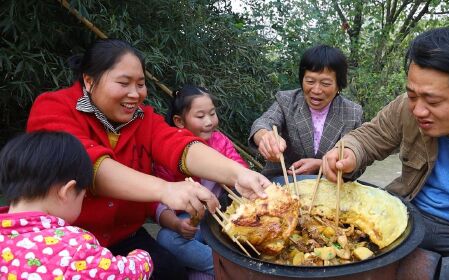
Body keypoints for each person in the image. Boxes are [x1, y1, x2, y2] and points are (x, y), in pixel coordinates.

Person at [26, 39, 270, 279]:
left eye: (141, 84)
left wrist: (239, 174)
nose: (135, 94)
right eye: (124, 83)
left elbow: (179, 145)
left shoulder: (142, 118)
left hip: (125, 237)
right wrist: (164, 189)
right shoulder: (53, 108)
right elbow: (88, 167)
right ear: (89, 81)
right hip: (66, 239)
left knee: (170, 272)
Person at [323, 27, 449, 280]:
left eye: (433, 101)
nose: (419, 110)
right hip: (408, 212)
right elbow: (370, 136)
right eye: (412, 95)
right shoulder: (408, 106)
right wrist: (348, 151)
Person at [0, 131, 153, 279]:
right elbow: (126, 274)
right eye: (83, 195)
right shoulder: (75, 247)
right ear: (67, 191)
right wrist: (142, 256)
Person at [153, 85, 248, 279]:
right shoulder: (167, 151)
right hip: (191, 223)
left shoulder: (220, 141)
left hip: (221, 217)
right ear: (179, 121)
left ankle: (223, 270)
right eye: (200, 116)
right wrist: (176, 224)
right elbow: (157, 200)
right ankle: (232, 270)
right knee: (166, 238)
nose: (209, 122)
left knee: (197, 275)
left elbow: (240, 169)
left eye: (212, 114)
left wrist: (237, 178)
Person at [249, 44, 363, 178]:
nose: (316, 90)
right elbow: (264, 122)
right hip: (283, 183)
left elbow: (357, 162)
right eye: (310, 81)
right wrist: (264, 136)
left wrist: (322, 164)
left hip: (330, 187)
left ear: (339, 85)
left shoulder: (352, 113)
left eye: (325, 84)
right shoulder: (287, 101)